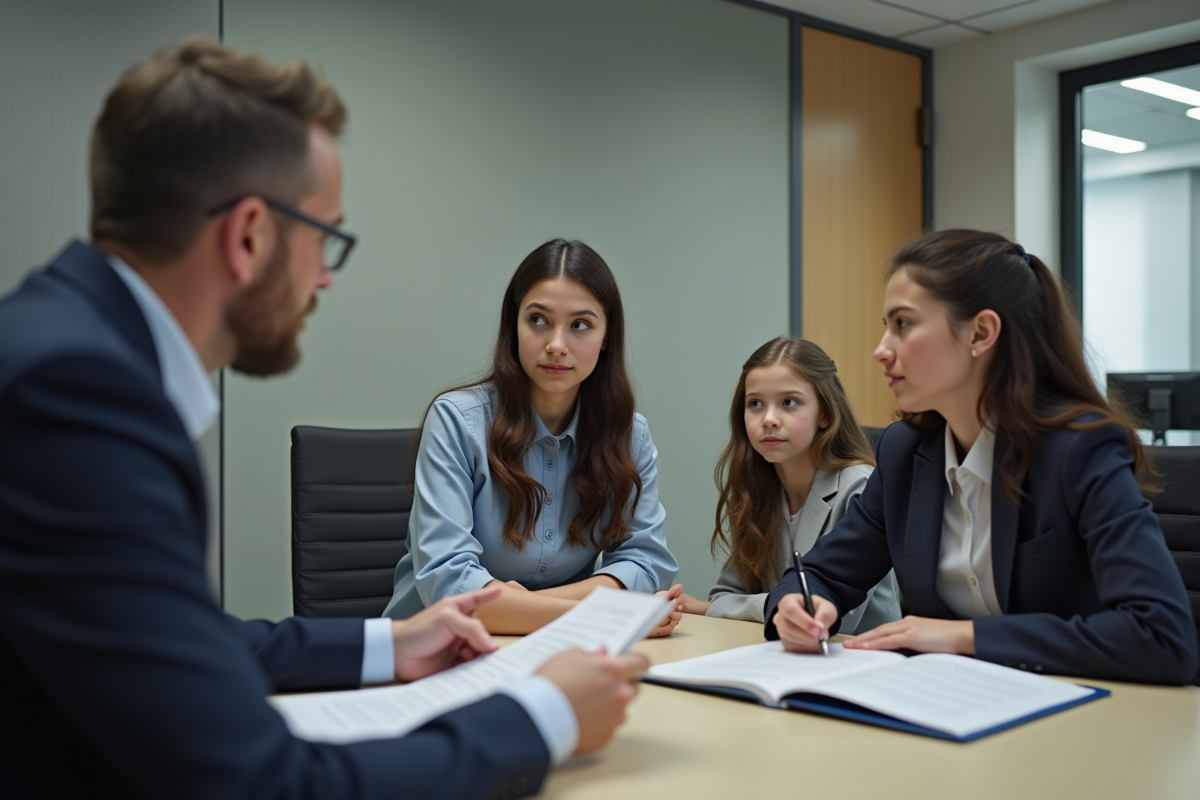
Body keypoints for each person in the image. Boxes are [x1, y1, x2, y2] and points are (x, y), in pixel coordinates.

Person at [0, 38, 648, 800]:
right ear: (248, 236)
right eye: (324, 239)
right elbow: (258, 785)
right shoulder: (77, 394)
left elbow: (173, 641)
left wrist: (391, 643)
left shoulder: (59, 348)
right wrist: (541, 716)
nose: (325, 278)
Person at [765, 229, 1198, 685]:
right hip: (945, 710)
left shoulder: (1080, 450)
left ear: (981, 333)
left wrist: (963, 637)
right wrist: (798, 606)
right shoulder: (903, 451)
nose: (881, 349)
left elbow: (1162, 637)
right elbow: (820, 574)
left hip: (1073, 719)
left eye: (903, 324)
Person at [383, 239, 683, 635]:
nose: (556, 345)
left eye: (580, 325)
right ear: (514, 325)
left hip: (553, 653)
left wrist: (522, 607)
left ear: (606, 336)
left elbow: (646, 565)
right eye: (538, 320)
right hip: (433, 653)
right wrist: (613, 617)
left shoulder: (629, 435)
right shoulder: (456, 420)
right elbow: (450, 586)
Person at [678, 337, 900, 631]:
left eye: (789, 402)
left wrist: (717, 609)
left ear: (825, 414)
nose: (769, 419)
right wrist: (722, 607)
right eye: (755, 403)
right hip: (780, 653)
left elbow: (833, 617)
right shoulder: (755, 488)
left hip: (857, 656)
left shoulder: (860, 486)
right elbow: (725, 594)